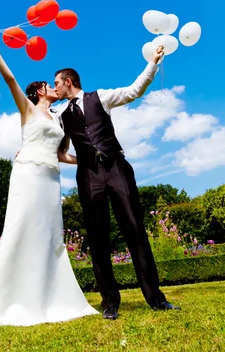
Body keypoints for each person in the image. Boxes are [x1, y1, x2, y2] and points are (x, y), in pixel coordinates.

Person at [0, 33, 98, 332]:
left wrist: (88, 160)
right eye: (48, 86)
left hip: (51, 179)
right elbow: (10, 78)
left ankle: (50, 297)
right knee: (19, 229)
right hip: (28, 174)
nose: (54, 88)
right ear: (39, 92)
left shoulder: (59, 118)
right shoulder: (27, 110)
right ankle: (0, 303)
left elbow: (62, 153)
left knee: (50, 237)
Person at [53, 45, 180, 320]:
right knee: (98, 238)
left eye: (57, 83)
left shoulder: (101, 97)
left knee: (135, 229)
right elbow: (60, 152)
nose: (55, 88)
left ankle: (156, 299)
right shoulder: (62, 118)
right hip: (89, 177)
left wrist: (154, 63)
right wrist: (83, 160)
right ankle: (109, 303)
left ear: (69, 82)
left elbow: (134, 90)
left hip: (117, 168)